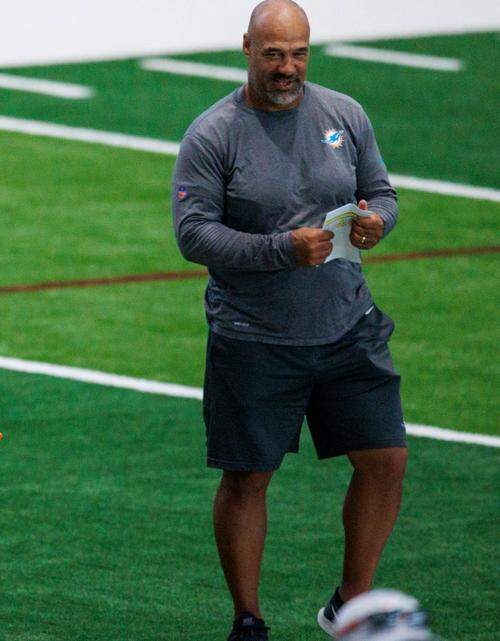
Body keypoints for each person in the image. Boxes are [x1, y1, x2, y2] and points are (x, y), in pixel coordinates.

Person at [170, 1, 407, 639]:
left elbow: (381, 191)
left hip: (347, 324)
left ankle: (351, 605)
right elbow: (193, 236)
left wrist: (377, 221)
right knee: (248, 477)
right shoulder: (213, 133)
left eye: (299, 53)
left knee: (385, 459)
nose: (287, 67)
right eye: (274, 54)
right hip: (254, 338)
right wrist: (281, 249)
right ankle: (248, 618)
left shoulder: (345, 115)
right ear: (247, 47)